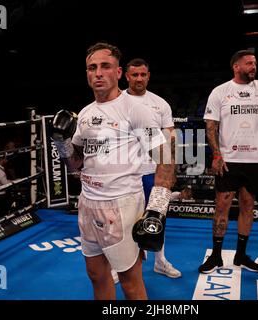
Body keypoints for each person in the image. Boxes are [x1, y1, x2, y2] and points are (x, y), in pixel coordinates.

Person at [51, 42, 176, 300]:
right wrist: (60, 142)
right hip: (88, 203)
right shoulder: (85, 113)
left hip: (123, 204)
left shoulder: (135, 109)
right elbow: (75, 163)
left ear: (118, 73)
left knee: (131, 282)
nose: (98, 73)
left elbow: (165, 159)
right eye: (91, 68)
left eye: (105, 66)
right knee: (97, 276)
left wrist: (156, 211)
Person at [199, 49, 258, 273]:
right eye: (248, 63)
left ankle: (241, 255)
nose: (253, 67)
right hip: (229, 159)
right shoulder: (221, 91)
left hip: (255, 160)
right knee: (222, 207)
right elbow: (211, 126)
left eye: (255, 63)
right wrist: (216, 154)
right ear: (236, 67)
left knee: (248, 206)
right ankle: (216, 256)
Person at [123, 58, 181, 279]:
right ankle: (123, 266)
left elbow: (170, 136)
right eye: (134, 74)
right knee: (124, 220)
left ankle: (160, 261)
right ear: (126, 76)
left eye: (143, 74)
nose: (139, 78)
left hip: (152, 171)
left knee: (157, 217)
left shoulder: (160, 104)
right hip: (124, 172)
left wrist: (170, 169)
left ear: (148, 76)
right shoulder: (117, 101)